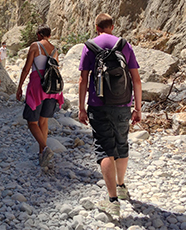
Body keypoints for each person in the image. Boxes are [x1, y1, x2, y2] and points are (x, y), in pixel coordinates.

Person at [78, 13, 142, 217]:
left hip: (98, 104)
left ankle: (112, 200)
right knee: (122, 144)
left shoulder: (89, 46)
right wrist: (138, 108)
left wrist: (81, 107)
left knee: (105, 148)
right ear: (112, 27)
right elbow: (136, 79)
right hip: (123, 104)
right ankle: (121, 186)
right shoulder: (125, 45)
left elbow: (83, 80)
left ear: (96, 27)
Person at [16, 25, 64, 167]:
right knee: (44, 122)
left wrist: (19, 87)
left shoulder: (35, 46)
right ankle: (42, 156)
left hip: (38, 87)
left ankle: (45, 148)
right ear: (49, 35)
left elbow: (26, 68)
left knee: (32, 122)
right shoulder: (54, 49)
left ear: (38, 34)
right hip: (52, 89)